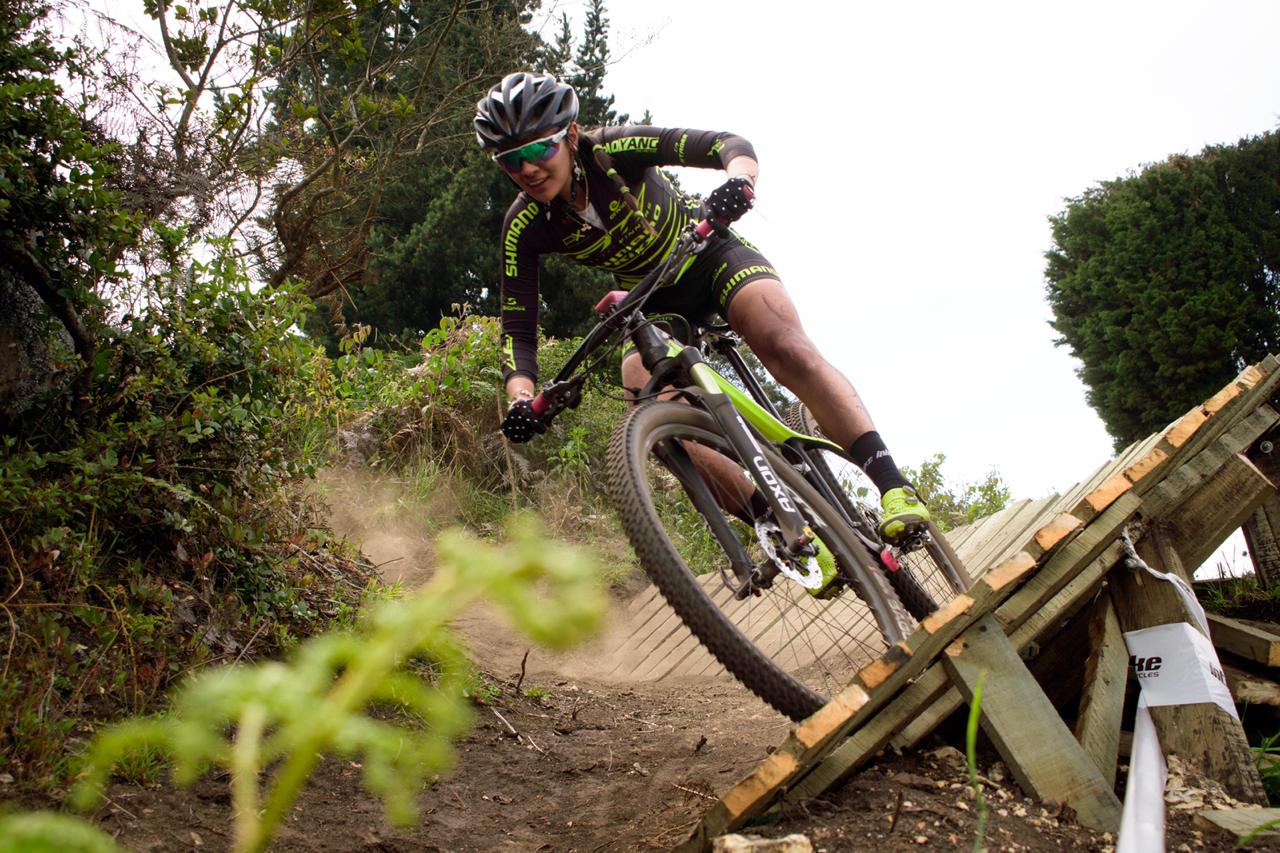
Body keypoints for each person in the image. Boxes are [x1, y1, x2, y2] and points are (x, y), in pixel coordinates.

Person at [474, 71, 929, 547]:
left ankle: (894, 487)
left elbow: (727, 145)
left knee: (785, 347)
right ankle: (777, 524)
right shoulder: (524, 225)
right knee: (649, 405)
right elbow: (518, 330)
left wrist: (740, 183)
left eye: (538, 150)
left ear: (570, 135)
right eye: (511, 160)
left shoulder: (616, 148)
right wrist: (522, 398)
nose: (527, 169)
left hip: (709, 255)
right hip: (650, 301)